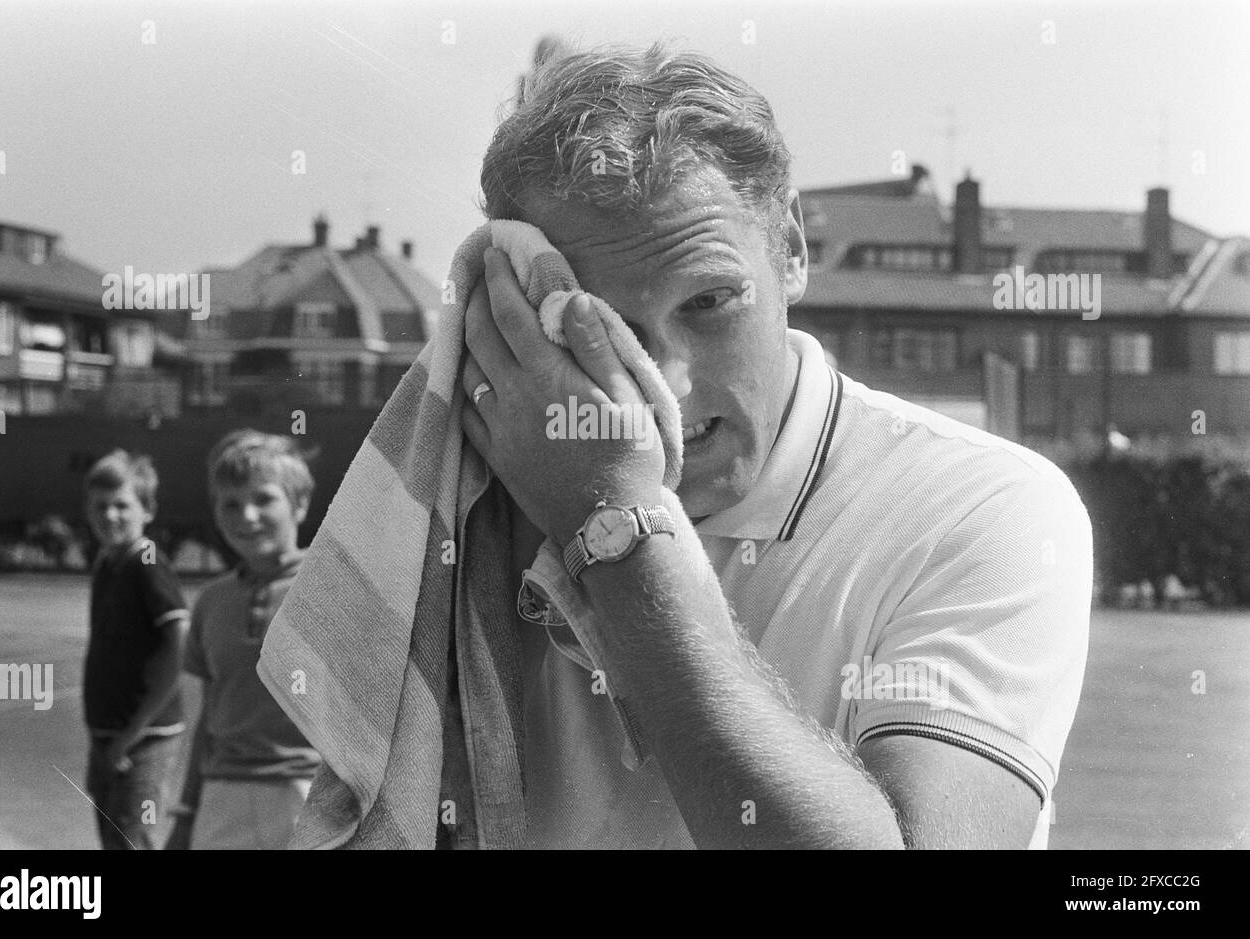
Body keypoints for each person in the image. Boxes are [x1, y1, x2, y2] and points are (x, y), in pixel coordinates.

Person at [455, 40, 1093, 848]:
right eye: (601, 329)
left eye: (711, 301)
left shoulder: (986, 508)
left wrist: (610, 522)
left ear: (790, 248)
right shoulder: (468, 483)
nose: (668, 386)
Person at [166, 430, 321, 850]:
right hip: (222, 796)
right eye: (230, 503)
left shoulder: (332, 586)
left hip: (308, 795)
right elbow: (208, 720)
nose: (246, 516)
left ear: (300, 503)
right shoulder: (211, 601)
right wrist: (184, 816)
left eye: (263, 499)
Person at [82, 450, 189, 850]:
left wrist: (131, 734)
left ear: (148, 509)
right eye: (100, 506)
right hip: (109, 735)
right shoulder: (109, 563)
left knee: (131, 838)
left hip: (144, 737)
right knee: (115, 839)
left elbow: (180, 638)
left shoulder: (147, 562)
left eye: (122, 505)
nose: (110, 516)